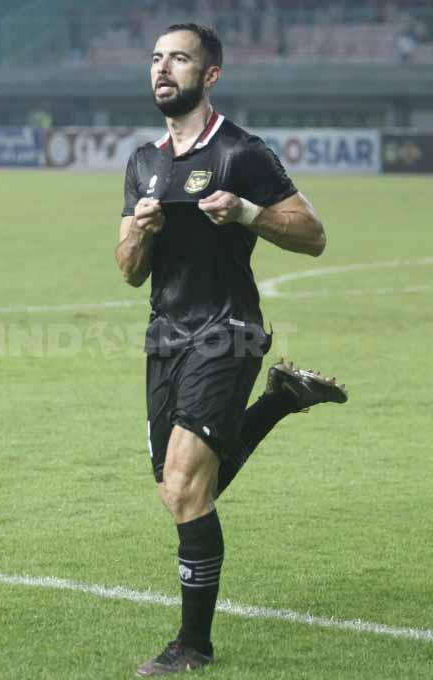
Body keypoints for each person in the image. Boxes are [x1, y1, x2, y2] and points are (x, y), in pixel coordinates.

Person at [114, 23, 348, 677]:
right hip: (166, 334)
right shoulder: (143, 162)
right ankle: (280, 401)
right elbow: (129, 268)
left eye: (179, 58)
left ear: (209, 75)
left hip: (228, 328)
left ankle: (193, 645)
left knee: (186, 484)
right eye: (156, 58)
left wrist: (247, 211)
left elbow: (313, 235)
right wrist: (139, 231)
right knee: (180, 487)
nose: (163, 69)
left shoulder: (242, 152)